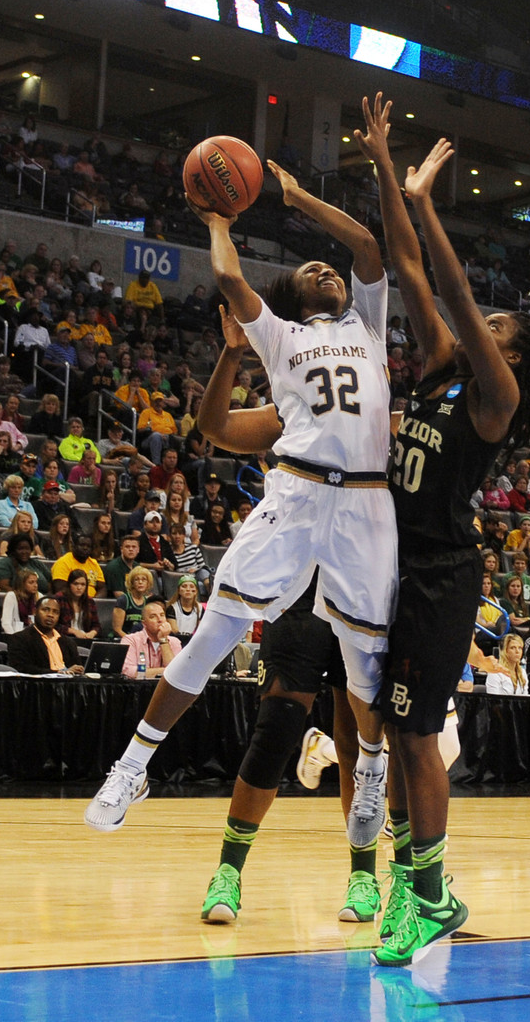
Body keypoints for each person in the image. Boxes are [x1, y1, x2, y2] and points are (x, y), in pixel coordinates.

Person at [85, 147, 398, 861]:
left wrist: (295, 196)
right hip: (295, 494)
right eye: (309, 269)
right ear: (288, 297)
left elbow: (368, 246)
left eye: (330, 270)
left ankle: (371, 773)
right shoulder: (279, 337)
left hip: (366, 507)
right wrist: (218, 216)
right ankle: (133, 766)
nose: (325, 268)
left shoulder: (368, 327)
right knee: (215, 634)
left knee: (364, 666)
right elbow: (226, 275)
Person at [352, 95, 530, 966]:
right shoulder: (443, 371)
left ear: (509, 353)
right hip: (395, 565)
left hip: (443, 573)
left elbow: (453, 288)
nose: (489, 327)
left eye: (501, 330)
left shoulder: (497, 398)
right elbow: (408, 269)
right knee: (396, 735)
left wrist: (433, 204)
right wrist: (383, 170)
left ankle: (433, 895)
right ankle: (415, 882)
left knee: (413, 734)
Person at [7, 595, 84, 675]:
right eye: (45, 610)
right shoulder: (20, 639)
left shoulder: (69, 643)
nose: (50, 615)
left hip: (67, 685)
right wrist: (60, 673)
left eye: (55, 612)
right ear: (35, 612)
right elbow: (22, 668)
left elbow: (77, 668)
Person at [121, 600, 182, 679]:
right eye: (153, 616)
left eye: (162, 615)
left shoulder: (175, 642)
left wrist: (163, 640)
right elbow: (129, 672)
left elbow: (176, 673)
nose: (160, 620)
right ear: (144, 623)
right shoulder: (130, 640)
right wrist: (166, 671)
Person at [51, 534, 106, 598]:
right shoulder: (63, 562)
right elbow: (60, 589)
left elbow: (102, 588)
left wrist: (94, 601)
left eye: (88, 546)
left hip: (91, 602)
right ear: (74, 546)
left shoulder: (94, 563)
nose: (85, 548)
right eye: (82, 545)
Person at [54, 569, 101, 643]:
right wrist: (73, 631)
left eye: (83, 584)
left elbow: (97, 625)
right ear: (69, 585)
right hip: (64, 639)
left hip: (85, 639)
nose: (79, 588)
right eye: (76, 584)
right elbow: (54, 625)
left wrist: (92, 633)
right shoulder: (59, 599)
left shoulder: (89, 601)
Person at [112, 566, 154, 638]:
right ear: (132, 583)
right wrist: (132, 641)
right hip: (124, 640)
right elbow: (117, 630)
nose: (140, 582)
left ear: (148, 583)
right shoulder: (123, 600)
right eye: (136, 580)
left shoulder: (148, 602)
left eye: (144, 579)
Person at [1, 568, 39, 633]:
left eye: (36, 582)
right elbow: (6, 623)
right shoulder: (11, 596)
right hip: (14, 634)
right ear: (22, 584)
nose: (35, 585)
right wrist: (14, 638)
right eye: (31, 582)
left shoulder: (39, 596)